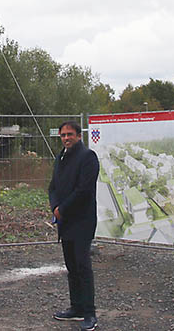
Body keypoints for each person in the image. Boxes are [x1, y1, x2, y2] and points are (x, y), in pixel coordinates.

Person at [49, 120, 100, 331]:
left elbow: (83, 190)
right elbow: (53, 186)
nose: (66, 138)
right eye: (63, 135)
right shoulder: (60, 157)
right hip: (65, 220)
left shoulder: (87, 157)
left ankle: (89, 313)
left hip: (81, 220)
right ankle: (76, 307)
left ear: (79, 135)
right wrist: (55, 207)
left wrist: (63, 209)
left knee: (82, 266)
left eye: (70, 134)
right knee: (71, 267)